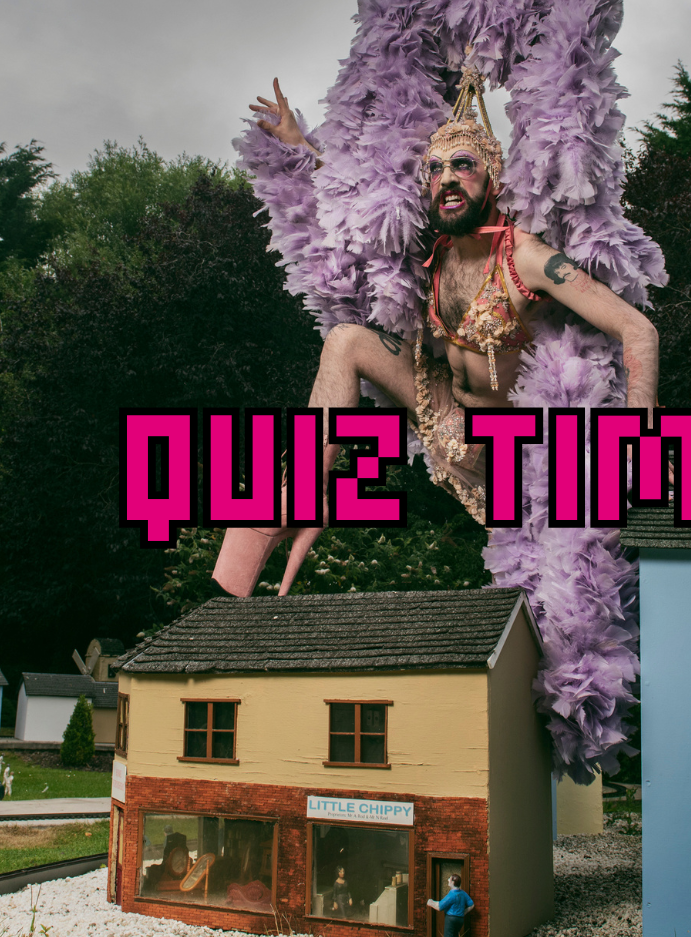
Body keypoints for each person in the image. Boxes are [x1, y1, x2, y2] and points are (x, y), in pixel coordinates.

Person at [211, 68, 660, 598]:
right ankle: (297, 501)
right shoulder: (433, 250)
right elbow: (355, 203)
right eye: (435, 168)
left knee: (550, 592)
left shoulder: (527, 258)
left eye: (463, 165)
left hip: (514, 456)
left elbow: (638, 330)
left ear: (492, 178)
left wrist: (639, 437)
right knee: (345, 342)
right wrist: (298, 144)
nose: (447, 177)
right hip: (445, 414)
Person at [428, 873, 474, 937]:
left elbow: (440, 907)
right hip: (460, 919)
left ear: (453, 882)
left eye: (450, 878)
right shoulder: (463, 893)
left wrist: (430, 903)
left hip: (451, 919)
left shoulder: (452, 895)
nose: (448, 880)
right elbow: (472, 905)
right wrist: (463, 912)